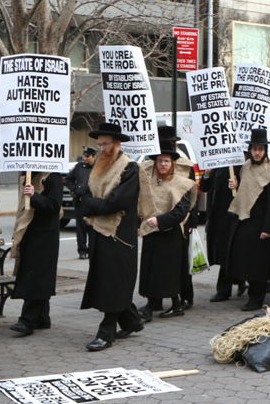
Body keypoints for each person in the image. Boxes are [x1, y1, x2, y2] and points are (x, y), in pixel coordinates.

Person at [79, 122, 144, 351]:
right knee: (107, 280)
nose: (102, 149)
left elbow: (118, 202)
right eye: (99, 145)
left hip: (120, 234)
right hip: (100, 231)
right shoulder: (99, 166)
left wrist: (91, 204)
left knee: (114, 282)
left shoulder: (130, 168)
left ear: (117, 144)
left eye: (105, 144)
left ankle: (106, 332)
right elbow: (85, 192)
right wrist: (92, 202)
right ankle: (132, 321)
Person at [225, 128, 270, 311]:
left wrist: (268, 228)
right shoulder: (245, 167)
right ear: (250, 150)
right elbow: (245, 191)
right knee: (245, 260)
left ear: (265, 150)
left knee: (259, 263)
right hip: (245, 220)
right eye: (254, 149)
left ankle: (256, 298)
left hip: (261, 223)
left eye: (260, 149)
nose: (257, 152)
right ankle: (253, 291)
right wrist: (235, 185)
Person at [137, 139, 195, 320]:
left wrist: (160, 220)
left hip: (171, 234)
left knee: (168, 271)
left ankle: (176, 305)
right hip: (151, 232)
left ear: (172, 163)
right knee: (150, 268)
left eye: (167, 161)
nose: (163, 164)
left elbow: (181, 211)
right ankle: (153, 302)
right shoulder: (149, 181)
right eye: (160, 160)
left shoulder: (181, 183)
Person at [9, 171, 62, 337]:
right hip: (31, 234)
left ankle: (27, 320)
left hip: (44, 236)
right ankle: (42, 317)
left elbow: (54, 206)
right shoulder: (30, 176)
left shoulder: (52, 176)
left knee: (36, 277)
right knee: (38, 275)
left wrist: (34, 196)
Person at [200, 165, 237, 302]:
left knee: (226, 253)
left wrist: (236, 185)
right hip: (215, 216)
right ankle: (237, 282)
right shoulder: (214, 166)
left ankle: (224, 289)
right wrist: (207, 174)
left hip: (230, 216)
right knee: (220, 251)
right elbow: (204, 187)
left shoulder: (235, 166)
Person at [66, 146, 96, 259]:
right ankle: (82, 251)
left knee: (93, 227)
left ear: (94, 156)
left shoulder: (99, 167)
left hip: (93, 202)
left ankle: (93, 250)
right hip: (80, 201)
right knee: (81, 228)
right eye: (84, 156)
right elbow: (68, 180)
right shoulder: (79, 167)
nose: (85, 158)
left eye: (88, 156)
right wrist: (75, 190)